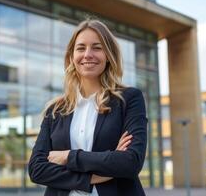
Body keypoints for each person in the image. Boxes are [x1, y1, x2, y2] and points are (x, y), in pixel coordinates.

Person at [28, 19, 148, 196]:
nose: (88, 54)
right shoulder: (55, 110)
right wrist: (94, 176)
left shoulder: (129, 99)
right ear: (72, 57)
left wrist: (68, 156)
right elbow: (37, 169)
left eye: (97, 48)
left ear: (108, 55)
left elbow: (130, 162)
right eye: (81, 48)